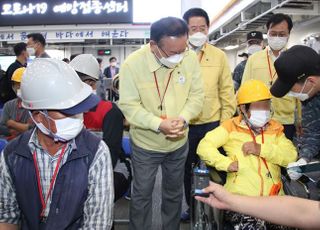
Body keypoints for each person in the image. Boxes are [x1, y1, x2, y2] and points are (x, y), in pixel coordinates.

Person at [0, 58, 113, 230]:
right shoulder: (12, 155)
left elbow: (97, 222)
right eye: (67, 112)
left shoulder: (96, 151)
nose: (77, 118)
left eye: (79, 109)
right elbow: (7, 216)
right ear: (38, 116)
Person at [118, 17, 204, 230]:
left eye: (183, 49)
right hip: (146, 144)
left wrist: (183, 118)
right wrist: (158, 124)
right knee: (142, 195)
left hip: (178, 142)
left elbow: (197, 96)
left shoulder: (189, 58)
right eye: (172, 52)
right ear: (153, 45)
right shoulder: (132, 65)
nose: (179, 56)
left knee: (173, 195)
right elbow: (129, 106)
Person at [197, 79, 297, 229]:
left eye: (266, 105)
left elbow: (291, 156)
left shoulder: (275, 128)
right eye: (258, 106)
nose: (264, 110)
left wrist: (261, 149)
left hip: (274, 199)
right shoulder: (230, 127)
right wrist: (226, 163)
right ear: (243, 108)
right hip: (240, 200)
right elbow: (204, 146)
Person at [181, 8, 236, 220]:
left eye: (201, 28)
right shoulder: (178, 55)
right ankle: (192, 208)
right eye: (193, 28)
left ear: (208, 28)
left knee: (218, 168)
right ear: (186, 30)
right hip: (186, 126)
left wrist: (224, 124)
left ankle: (223, 208)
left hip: (213, 124)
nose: (197, 32)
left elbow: (226, 92)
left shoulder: (218, 56)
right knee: (188, 170)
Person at [69, 54, 131, 201]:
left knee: (94, 192)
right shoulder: (63, 110)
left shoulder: (109, 111)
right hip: (75, 167)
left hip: (112, 168)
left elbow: (111, 154)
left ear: (91, 84)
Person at [241, 13, 297, 141]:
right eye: (273, 33)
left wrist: (300, 120)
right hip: (258, 118)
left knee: (283, 156)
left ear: (289, 34)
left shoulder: (294, 59)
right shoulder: (254, 59)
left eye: (282, 34)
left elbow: (301, 94)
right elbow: (244, 89)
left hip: (286, 120)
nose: (277, 37)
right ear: (267, 33)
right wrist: (244, 116)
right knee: (259, 156)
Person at [269, 45, 320, 180]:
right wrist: (303, 159)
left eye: (291, 88)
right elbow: (313, 132)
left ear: (311, 81)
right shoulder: (310, 96)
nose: (290, 94)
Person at [195, 182, 320, 229]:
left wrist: (262, 150)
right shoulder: (229, 130)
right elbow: (303, 212)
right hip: (246, 196)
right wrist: (229, 200)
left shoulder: (277, 133)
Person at [0, 67, 33, 140]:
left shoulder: (34, 106)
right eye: (17, 84)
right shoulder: (8, 105)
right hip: (8, 141)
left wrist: (12, 124)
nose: (19, 87)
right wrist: (21, 128)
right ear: (13, 86)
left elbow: (32, 130)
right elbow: (1, 127)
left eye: (21, 84)